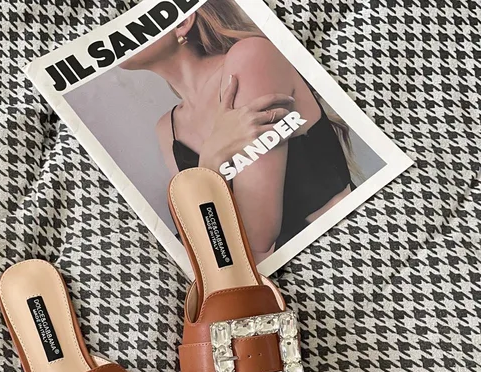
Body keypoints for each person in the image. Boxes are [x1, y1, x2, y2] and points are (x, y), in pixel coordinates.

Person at [120, 0, 354, 261]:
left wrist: (209, 168)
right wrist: (211, 160)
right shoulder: (168, 128)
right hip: (259, 276)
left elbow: (257, 237)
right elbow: (202, 239)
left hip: (337, 254)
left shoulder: (251, 57)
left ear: (182, 22)